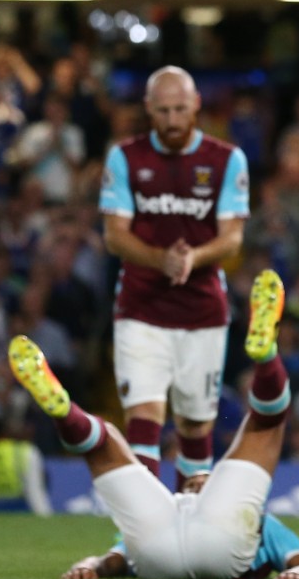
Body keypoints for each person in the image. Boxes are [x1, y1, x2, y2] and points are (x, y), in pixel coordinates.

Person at [9, 269, 299, 579]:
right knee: (265, 425)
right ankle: (266, 356)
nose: (200, 481)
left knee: (105, 443)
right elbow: (110, 559)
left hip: (156, 552)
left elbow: (113, 559)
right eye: (199, 478)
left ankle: (65, 413)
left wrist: (94, 565)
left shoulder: (176, 504)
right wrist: (91, 567)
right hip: (216, 544)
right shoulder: (257, 520)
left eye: (204, 478)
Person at [99, 65, 249, 490]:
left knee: (195, 426)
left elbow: (232, 239)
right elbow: (114, 235)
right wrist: (159, 258)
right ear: (148, 108)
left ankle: (188, 522)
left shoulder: (225, 160)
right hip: (140, 308)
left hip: (202, 310)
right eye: (162, 111)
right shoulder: (125, 157)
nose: (171, 120)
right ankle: (146, 534)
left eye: (180, 109)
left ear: (196, 105)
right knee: (143, 419)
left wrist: (193, 257)